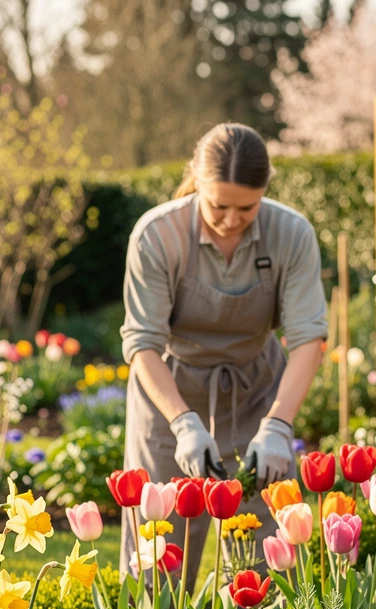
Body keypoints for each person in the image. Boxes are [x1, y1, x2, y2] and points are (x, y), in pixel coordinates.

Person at [119, 123, 325, 582]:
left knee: (263, 550)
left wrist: (278, 426)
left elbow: (309, 337)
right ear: (196, 179)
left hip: (258, 390)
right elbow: (142, 343)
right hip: (169, 392)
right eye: (218, 205)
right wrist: (183, 423)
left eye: (246, 208)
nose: (232, 219)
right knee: (158, 548)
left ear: (265, 191)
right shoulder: (157, 234)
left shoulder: (291, 234)